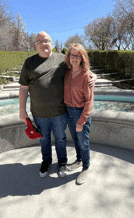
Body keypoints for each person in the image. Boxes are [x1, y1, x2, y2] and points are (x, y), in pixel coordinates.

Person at [19, 31, 97, 179]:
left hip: (60, 112)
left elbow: (80, 66)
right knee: (44, 139)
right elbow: (23, 88)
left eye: (46, 41)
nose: (43, 44)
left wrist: (93, 75)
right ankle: (46, 162)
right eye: (39, 41)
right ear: (35, 45)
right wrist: (22, 110)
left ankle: (63, 163)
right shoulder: (29, 63)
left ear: (52, 43)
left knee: (61, 139)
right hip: (39, 112)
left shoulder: (62, 60)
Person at [64, 43, 94, 185]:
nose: (74, 58)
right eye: (72, 55)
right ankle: (79, 160)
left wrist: (81, 121)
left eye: (77, 56)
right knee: (75, 140)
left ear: (82, 58)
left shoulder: (86, 76)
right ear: (68, 56)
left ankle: (86, 167)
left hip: (80, 113)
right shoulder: (67, 73)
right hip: (69, 111)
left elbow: (89, 102)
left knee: (83, 142)